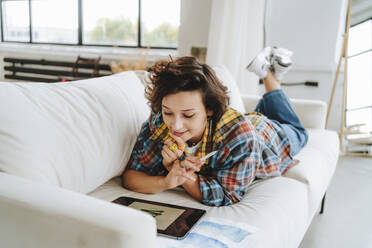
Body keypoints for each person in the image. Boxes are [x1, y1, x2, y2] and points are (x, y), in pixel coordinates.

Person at [122, 47, 308, 207]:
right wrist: (166, 180)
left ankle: (269, 75)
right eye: (168, 112)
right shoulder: (159, 123)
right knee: (262, 112)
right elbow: (131, 176)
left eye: (188, 115)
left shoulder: (242, 137)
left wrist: (184, 174)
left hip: (267, 136)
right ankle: (273, 74)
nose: (175, 125)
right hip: (243, 122)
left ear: (209, 109)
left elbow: (227, 194)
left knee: (300, 134)